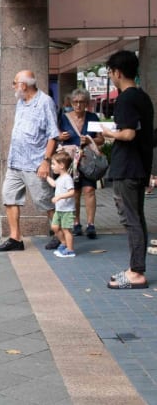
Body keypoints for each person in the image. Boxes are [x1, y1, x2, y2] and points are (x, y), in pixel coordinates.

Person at [101, 50, 153, 289]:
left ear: (117, 72)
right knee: (137, 219)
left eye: (110, 72)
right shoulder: (143, 97)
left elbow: (128, 133)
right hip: (139, 166)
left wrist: (109, 133)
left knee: (130, 220)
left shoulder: (125, 99)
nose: (111, 76)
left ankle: (136, 273)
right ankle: (135, 268)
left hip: (127, 168)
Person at [0, 70, 59, 252]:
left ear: (23, 85)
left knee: (44, 200)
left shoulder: (45, 102)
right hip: (15, 162)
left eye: (15, 83)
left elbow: (53, 135)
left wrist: (46, 161)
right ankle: (15, 238)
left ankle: (60, 234)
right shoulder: (20, 102)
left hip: (35, 163)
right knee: (9, 197)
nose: (13, 86)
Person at [57, 87, 104, 238]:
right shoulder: (64, 118)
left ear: (87, 103)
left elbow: (101, 139)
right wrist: (61, 137)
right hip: (70, 161)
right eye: (75, 102)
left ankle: (91, 224)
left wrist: (90, 139)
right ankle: (76, 223)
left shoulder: (93, 117)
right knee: (75, 192)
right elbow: (55, 136)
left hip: (87, 160)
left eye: (82, 102)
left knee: (89, 190)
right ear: (71, 102)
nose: (78, 105)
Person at [46, 151, 77, 258]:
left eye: (54, 164)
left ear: (62, 165)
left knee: (66, 229)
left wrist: (59, 197)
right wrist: (46, 177)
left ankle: (70, 249)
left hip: (67, 210)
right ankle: (64, 243)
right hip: (59, 209)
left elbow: (72, 192)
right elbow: (54, 184)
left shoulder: (67, 178)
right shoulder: (59, 178)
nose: (52, 166)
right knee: (55, 227)